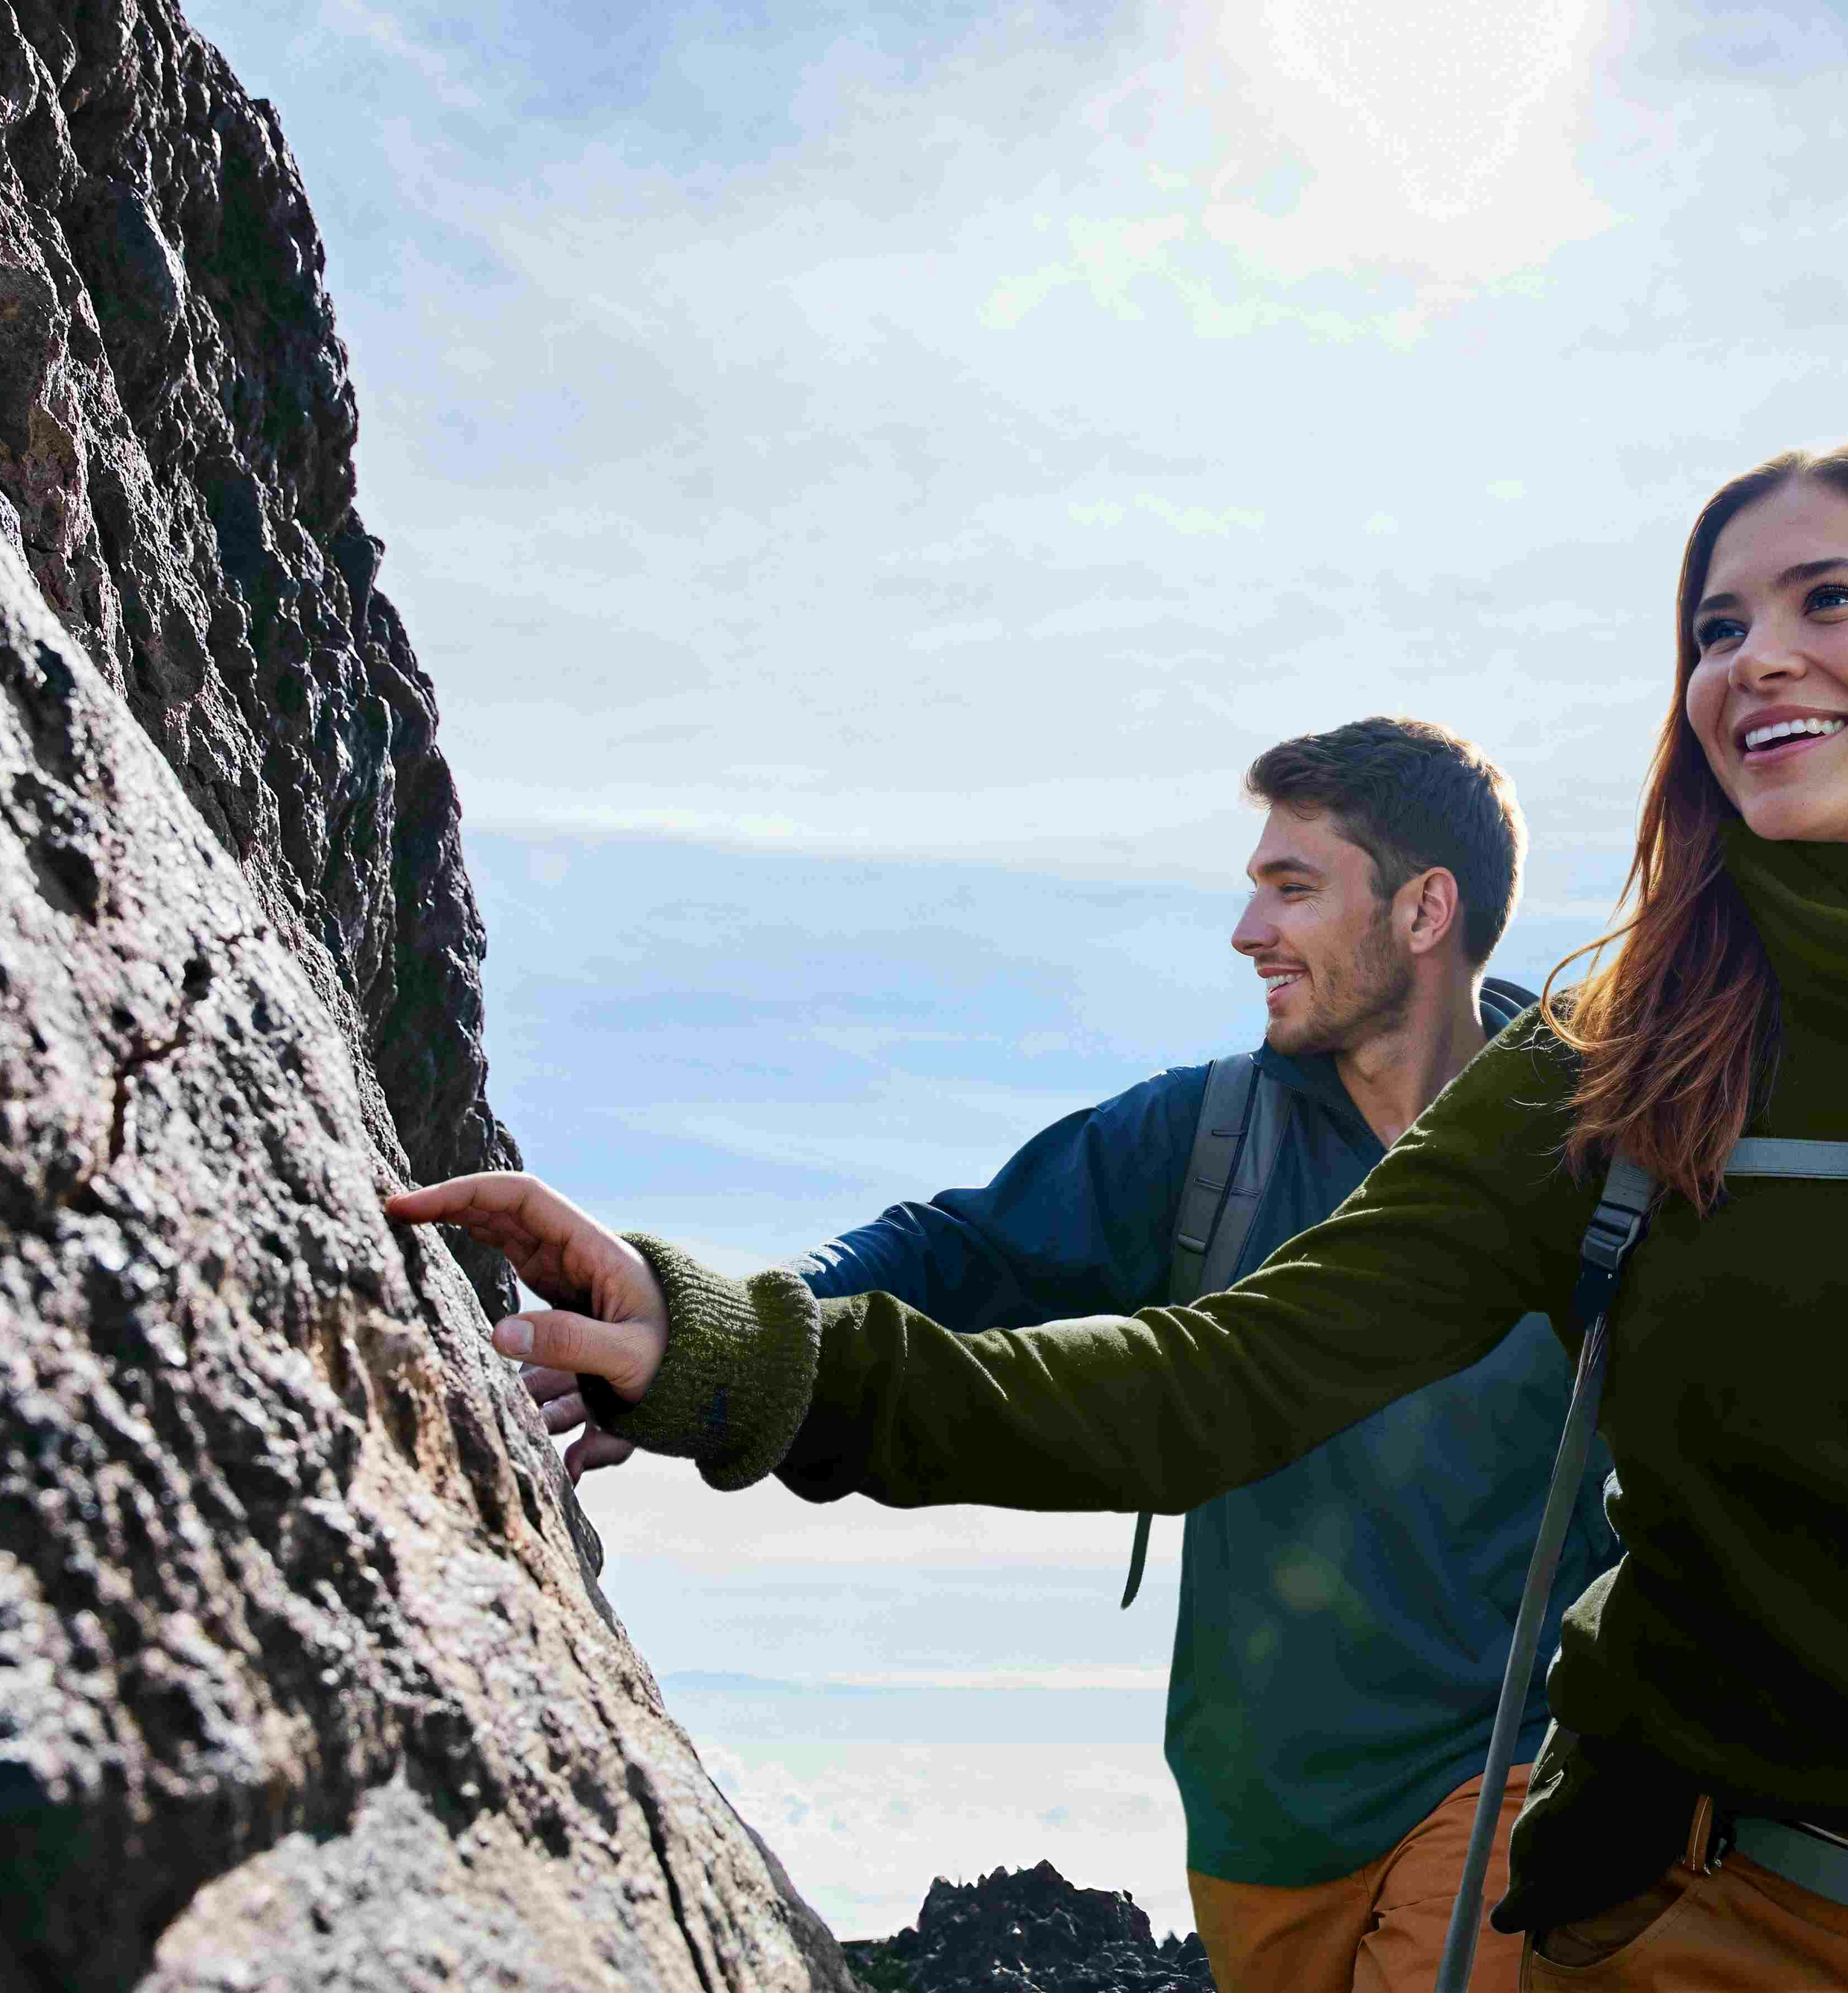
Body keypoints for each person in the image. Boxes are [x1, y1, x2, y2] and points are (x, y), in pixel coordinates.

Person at [399, 445, 1848, 1991]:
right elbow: (1219, 1375)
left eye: (1824, 599)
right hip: (1697, 1933)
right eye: (1711, 623)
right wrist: (726, 1348)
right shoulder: (1619, 1054)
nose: (1749, 658)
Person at [449, 717, 1611, 1993]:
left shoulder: (1595, 1139)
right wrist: (707, 1332)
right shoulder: (1203, 1135)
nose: (1246, 930)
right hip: (1260, 1831)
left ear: (1424, 909)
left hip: (1508, 1782)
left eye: (1292, 888)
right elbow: (953, 1252)